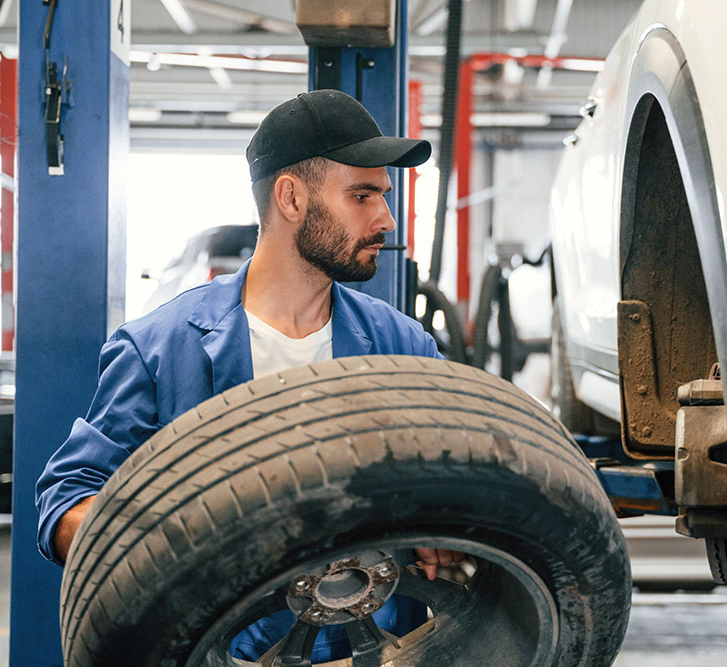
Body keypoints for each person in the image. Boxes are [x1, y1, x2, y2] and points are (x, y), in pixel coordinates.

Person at [35, 89, 461, 662]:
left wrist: (449, 528)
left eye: (382, 196)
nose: (385, 218)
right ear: (291, 197)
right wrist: (174, 545)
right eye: (362, 195)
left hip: (374, 650)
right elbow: (67, 501)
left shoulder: (402, 348)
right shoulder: (159, 349)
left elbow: (470, 476)